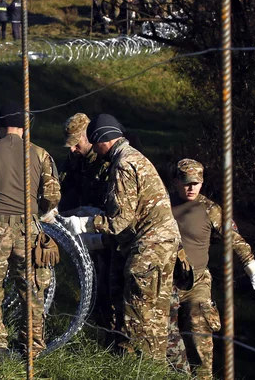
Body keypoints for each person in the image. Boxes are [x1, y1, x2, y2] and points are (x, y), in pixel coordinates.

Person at [62, 114, 180, 360]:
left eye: (94, 143)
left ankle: (141, 368)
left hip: (149, 246)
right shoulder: (134, 157)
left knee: (139, 316)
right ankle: (152, 369)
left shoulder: (123, 164)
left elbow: (120, 220)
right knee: (156, 318)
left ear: (102, 140)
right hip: (160, 243)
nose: (94, 149)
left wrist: (85, 224)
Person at [0, 102, 60, 357]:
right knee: (32, 289)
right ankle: (32, 346)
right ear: (25, 126)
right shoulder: (40, 154)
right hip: (27, 230)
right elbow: (53, 196)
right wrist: (36, 209)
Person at [166, 159, 255, 379]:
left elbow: (234, 239)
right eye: (186, 183)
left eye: (196, 183)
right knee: (165, 344)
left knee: (199, 336)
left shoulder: (210, 209)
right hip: (165, 283)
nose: (191, 188)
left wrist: (252, 268)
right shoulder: (162, 205)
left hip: (197, 284)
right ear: (175, 182)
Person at [58, 113, 114, 346]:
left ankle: (112, 336)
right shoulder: (74, 160)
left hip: (106, 234)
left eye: (76, 144)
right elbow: (60, 186)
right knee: (91, 289)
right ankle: (98, 335)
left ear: (89, 137)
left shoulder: (108, 161)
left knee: (109, 289)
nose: (72, 150)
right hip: (84, 234)